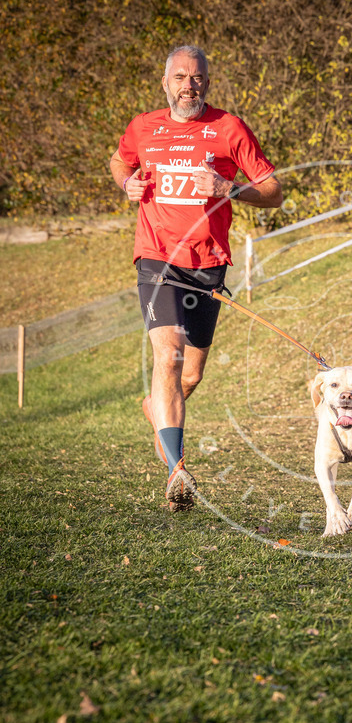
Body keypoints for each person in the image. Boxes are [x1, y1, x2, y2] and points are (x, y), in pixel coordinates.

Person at [110, 45, 282, 511]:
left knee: (190, 374)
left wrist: (230, 188)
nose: (190, 84)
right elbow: (119, 161)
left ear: (208, 82)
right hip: (157, 259)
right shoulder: (142, 127)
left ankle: (156, 410)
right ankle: (176, 471)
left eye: (198, 77)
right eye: (181, 77)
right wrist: (127, 183)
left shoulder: (228, 128)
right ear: (165, 82)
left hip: (208, 263)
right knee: (167, 358)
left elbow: (274, 191)